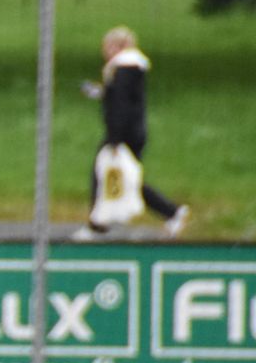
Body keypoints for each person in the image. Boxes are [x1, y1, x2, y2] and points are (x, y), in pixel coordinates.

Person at [78, 26, 189, 238]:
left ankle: (98, 225)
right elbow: (122, 97)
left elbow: (122, 105)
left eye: (108, 47)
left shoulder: (124, 67)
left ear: (120, 46)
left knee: (104, 174)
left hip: (125, 133)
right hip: (131, 131)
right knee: (127, 179)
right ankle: (172, 212)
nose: (105, 52)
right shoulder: (128, 68)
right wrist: (101, 92)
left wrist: (114, 139)